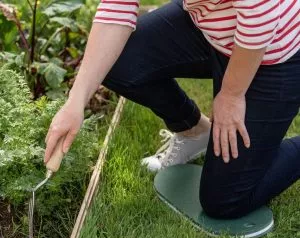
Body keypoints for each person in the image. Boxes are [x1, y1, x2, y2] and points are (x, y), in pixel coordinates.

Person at [44, 0, 300, 219]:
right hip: (211, 28)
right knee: (118, 62)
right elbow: (116, 9)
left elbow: (261, 17)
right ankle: (194, 131)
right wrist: (75, 102)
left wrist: (231, 95)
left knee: (225, 200)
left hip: (273, 48)